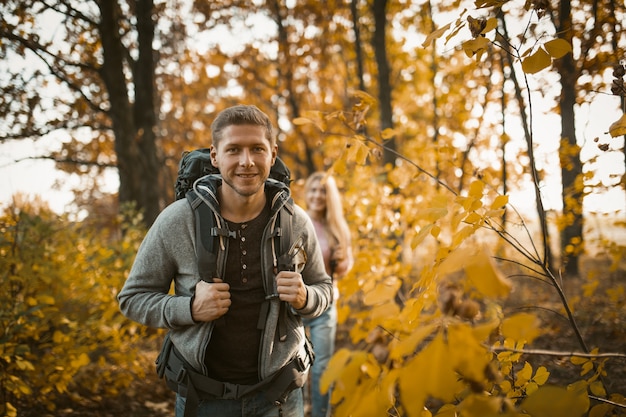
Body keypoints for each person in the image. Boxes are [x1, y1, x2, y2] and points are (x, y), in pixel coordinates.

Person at [118, 105, 333, 417]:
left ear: (272, 155)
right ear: (215, 156)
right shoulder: (177, 221)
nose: (246, 161)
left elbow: (324, 288)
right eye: (234, 150)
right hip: (203, 400)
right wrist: (189, 308)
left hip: (281, 399)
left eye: (257, 149)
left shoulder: (296, 222)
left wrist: (305, 297)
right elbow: (132, 299)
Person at [302, 172, 354, 417]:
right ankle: (295, 411)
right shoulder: (296, 220)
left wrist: (340, 261)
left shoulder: (338, 228)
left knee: (322, 366)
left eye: (323, 191)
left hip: (326, 304)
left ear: (329, 196)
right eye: (313, 190)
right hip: (297, 303)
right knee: (294, 366)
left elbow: (344, 268)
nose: (317, 195)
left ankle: (320, 414)